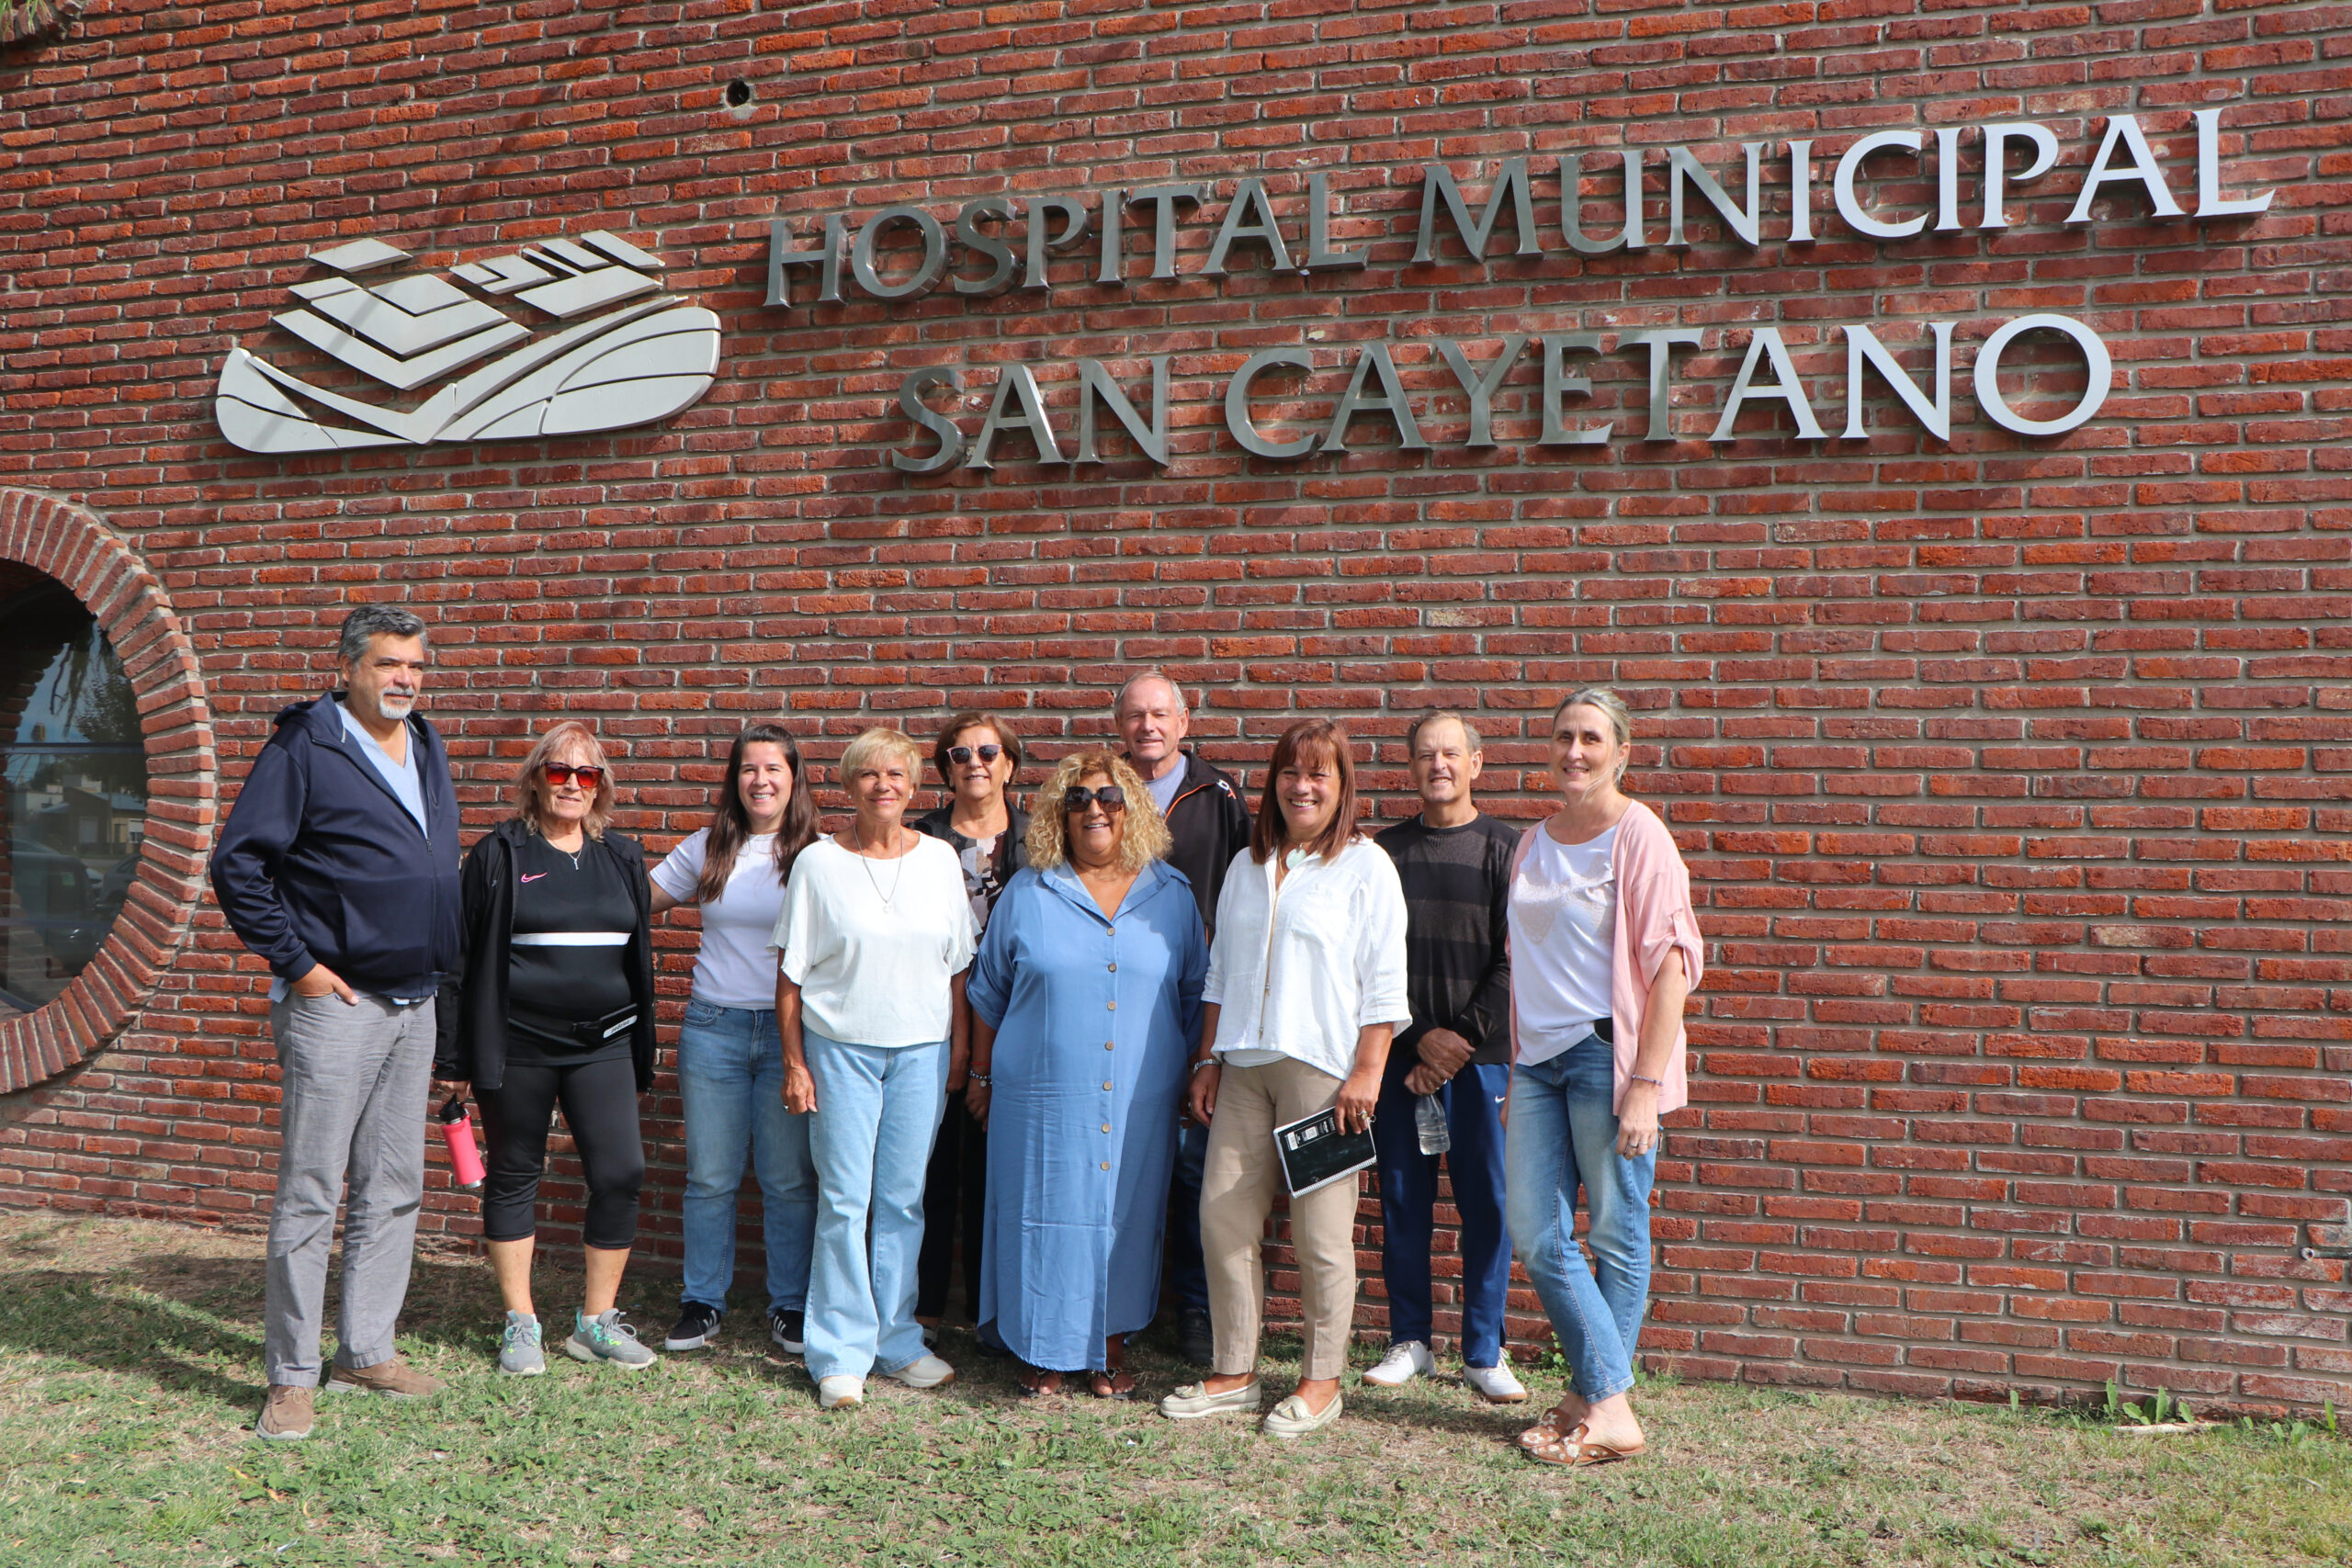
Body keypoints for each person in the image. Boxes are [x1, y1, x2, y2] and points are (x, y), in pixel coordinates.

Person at [210, 604, 458, 1441]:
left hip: (415, 1000)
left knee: (394, 1185)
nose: (405, 679)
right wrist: (300, 965)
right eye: (389, 663)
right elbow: (239, 864)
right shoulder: (305, 745)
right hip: (337, 1003)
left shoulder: (424, 741)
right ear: (347, 666)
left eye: (416, 666)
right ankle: (291, 1374)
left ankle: (366, 1348)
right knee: (313, 1190)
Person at [1160, 718, 1409, 1438]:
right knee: (1223, 1220)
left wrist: (1368, 1071)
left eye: (1318, 773)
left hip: (1323, 1074)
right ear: (1273, 782)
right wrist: (1208, 1058)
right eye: (1291, 773)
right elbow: (1219, 973)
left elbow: (1384, 980)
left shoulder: (1365, 866)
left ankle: (1321, 1380)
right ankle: (1234, 1371)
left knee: (1321, 1234)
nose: (1303, 786)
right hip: (1243, 1067)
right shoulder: (1248, 864)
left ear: (1342, 785)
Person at [964, 750, 1206, 1398]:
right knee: (1041, 1208)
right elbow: (988, 992)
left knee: (1126, 1211)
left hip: (1139, 1093)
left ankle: (1107, 1345)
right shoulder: (1029, 892)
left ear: (1132, 810)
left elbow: (1194, 994)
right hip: (1038, 1094)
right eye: (1078, 799)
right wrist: (980, 1076)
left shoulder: (1172, 896)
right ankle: (1039, 1346)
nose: (1094, 809)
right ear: (1059, 816)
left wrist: (1193, 1071)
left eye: (1108, 797)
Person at [1505, 687, 1703, 1468]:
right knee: (1535, 1231)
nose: (1574, 752)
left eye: (1591, 738)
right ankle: (1606, 1398)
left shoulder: (1639, 834)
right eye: (1563, 736)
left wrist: (1645, 1084)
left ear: (1622, 751)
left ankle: (1596, 1406)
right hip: (1536, 1062)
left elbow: (1673, 967)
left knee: (1616, 1234)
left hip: (1605, 1057)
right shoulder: (1533, 841)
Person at [438, 721, 660, 1375]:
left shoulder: (622, 857)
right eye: (558, 771)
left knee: (621, 1173)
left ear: (600, 786)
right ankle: (521, 1323)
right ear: (535, 779)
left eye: (585, 774)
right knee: (514, 1174)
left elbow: (637, 956)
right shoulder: (499, 853)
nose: (571, 784)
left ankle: (596, 1323)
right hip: (519, 1046)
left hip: (604, 1044)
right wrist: (453, 1059)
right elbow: (458, 959)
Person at [775, 727, 976, 1410]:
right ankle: (838, 1352)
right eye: (868, 774)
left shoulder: (941, 860)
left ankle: (897, 1339)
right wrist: (795, 1062)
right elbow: (790, 977)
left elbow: (958, 968)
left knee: (902, 1200)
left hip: (922, 1050)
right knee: (843, 1199)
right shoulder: (818, 864)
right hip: (840, 1050)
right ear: (848, 784)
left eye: (895, 773)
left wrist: (960, 1050)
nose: (882, 785)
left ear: (914, 785)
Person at [1364, 712, 1526, 1404]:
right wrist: (1419, 1037)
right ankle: (1411, 1341)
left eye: (1452, 753)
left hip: (1482, 1063)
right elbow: (1367, 959)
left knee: (1489, 1203)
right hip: (1402, 1058)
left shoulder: (1508, 849)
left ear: (1476, 763)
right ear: (1410, 766)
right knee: (1403, 1199)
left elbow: (1516, 959)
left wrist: (1455, 1043)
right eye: (1426, 755)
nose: (1439, 765)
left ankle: (1484, 1351)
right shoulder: (1383, 852)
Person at [649, 724, 820, 1356]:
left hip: (789, 1035)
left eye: (774, 768)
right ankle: (702, 1302)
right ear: (735, 778)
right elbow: (638, 899)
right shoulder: (708, 845)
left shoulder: (819, 854)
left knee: (787, 1180)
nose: (761, 780)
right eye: (749, 768)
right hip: (713, 1029)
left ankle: (790, 1306)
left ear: (794, 778)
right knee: (711, 1177)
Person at [1114, 670, 1250, 1367]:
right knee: (1121, 1155)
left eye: (1160, 714)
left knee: (1198, 1161)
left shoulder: (1219, 796)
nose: (1148, 726)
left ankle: (1195, 1305)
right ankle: (1115, 1301)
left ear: (1184, 722)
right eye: (1135, 715)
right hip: (1118, 996)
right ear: (1120, 724)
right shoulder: (1099, 789)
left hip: (1199, 998)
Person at [910, 712, 1031, 1348]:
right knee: (932, 1169)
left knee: (999, 1174)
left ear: (1010, 764)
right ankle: (923, 1309)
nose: (975, 763)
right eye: (960, 754)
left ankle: (990, 1313)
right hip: (935, 1019)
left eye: (988, 752)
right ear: (946, 769)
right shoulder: (919, 839)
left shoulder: (1042, 840)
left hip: (1021, 1024)